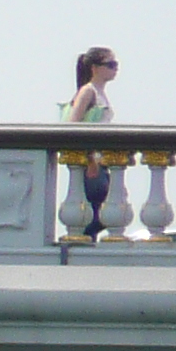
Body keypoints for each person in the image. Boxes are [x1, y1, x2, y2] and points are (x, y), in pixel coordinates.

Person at [63, 47, 119, 238]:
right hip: (91, 162)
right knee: (100, 212)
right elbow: (73, 124)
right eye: (110, 65)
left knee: (107, 208)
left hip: (101, 162)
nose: (115, 69)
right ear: (95, 68)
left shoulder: (99, 92)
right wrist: (89, 158)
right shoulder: (88, 91)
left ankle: (86, 241)